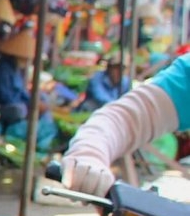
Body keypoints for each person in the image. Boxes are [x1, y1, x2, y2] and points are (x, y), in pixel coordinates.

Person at [63, 51, 190, 195]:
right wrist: (90, 153)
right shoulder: (97, 79)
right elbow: (123, 118)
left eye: (121, 68)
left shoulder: (124, 82)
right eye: (115, 67)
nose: (117, 71)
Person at [0, 28, 35, 127]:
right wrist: (24, 104)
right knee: (18, 111)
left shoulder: (15, 71)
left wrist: (32, 101)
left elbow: (22, 92)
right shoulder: (2, 71)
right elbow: (4, 97)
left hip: (10, 104)